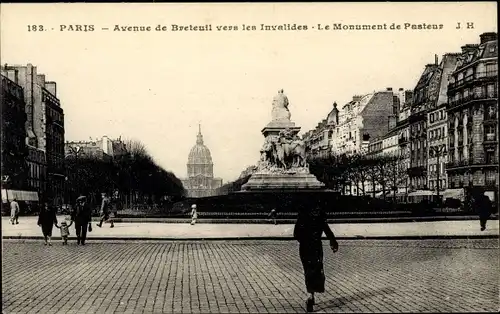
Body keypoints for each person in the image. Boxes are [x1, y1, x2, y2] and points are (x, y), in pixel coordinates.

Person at [294, 199, 339, 312]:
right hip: (316, 246)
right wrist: (333, 243)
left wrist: (304, 241)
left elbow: (296, 234)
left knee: (308, 269)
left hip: (304, 247)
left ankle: (310, 294)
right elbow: (328, 232)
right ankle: (313, 291)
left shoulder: (302, 218)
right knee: (317, 268)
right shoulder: (319, 218)